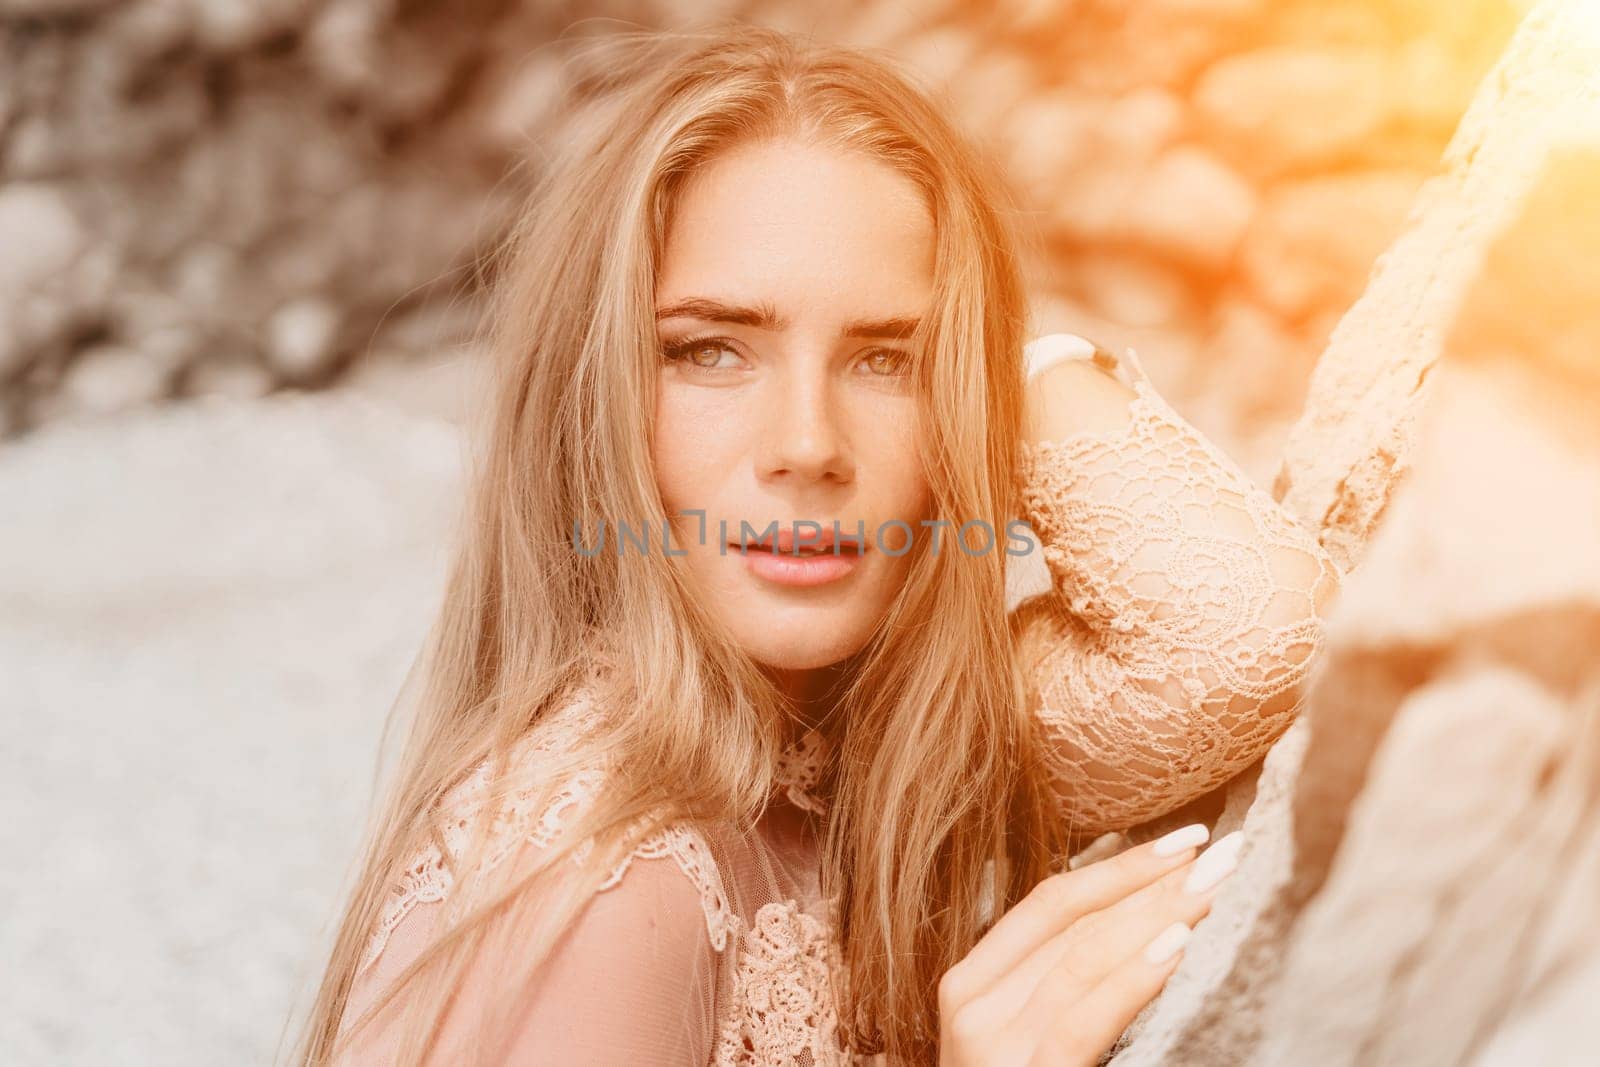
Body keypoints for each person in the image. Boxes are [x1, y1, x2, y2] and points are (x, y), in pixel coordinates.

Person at [294, 23, 1340, 1066]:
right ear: (593, 397)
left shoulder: (874, 740)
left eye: (886, 360)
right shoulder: (604, 880)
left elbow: (1248, 632)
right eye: (711, 350)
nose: (807, 446)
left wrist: (999, 367)